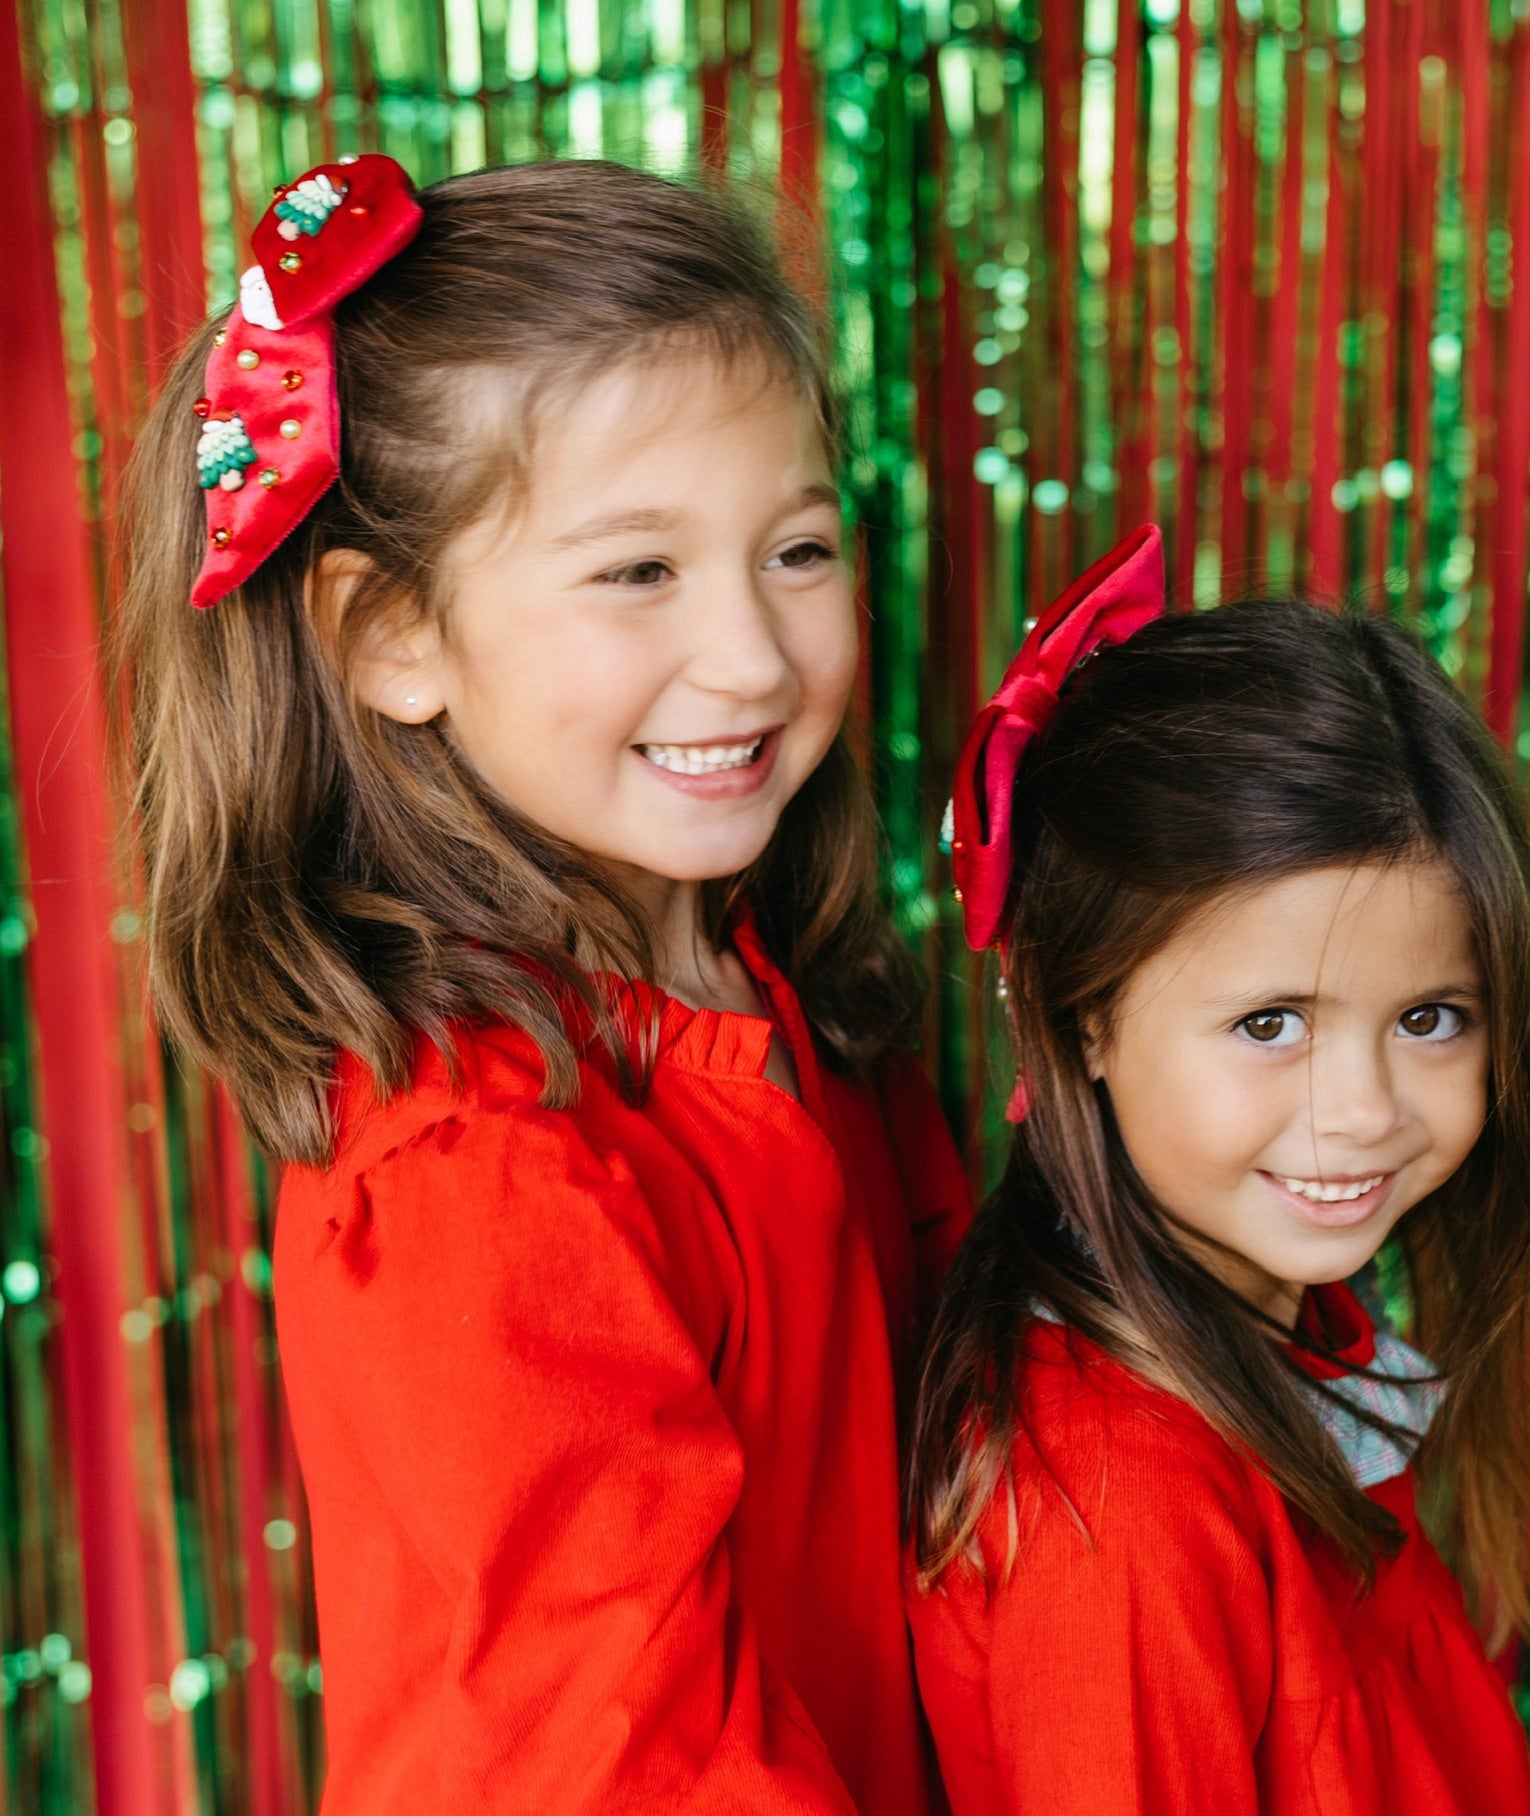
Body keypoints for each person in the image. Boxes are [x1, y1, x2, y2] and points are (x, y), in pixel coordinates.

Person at [110, 154, 968, 1813]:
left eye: (795, 548)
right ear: (389, 638)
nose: (750, 652)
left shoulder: (791, 996)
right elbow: (635, 1759)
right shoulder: (471, 1170)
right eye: (636, 571)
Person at [907, 528, 1530, 1814]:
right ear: (1086, 1018)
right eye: (1268, 1024)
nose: (1357, 1115)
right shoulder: (1120, 1509)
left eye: (1429, 1019)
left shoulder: (1296, 1334)